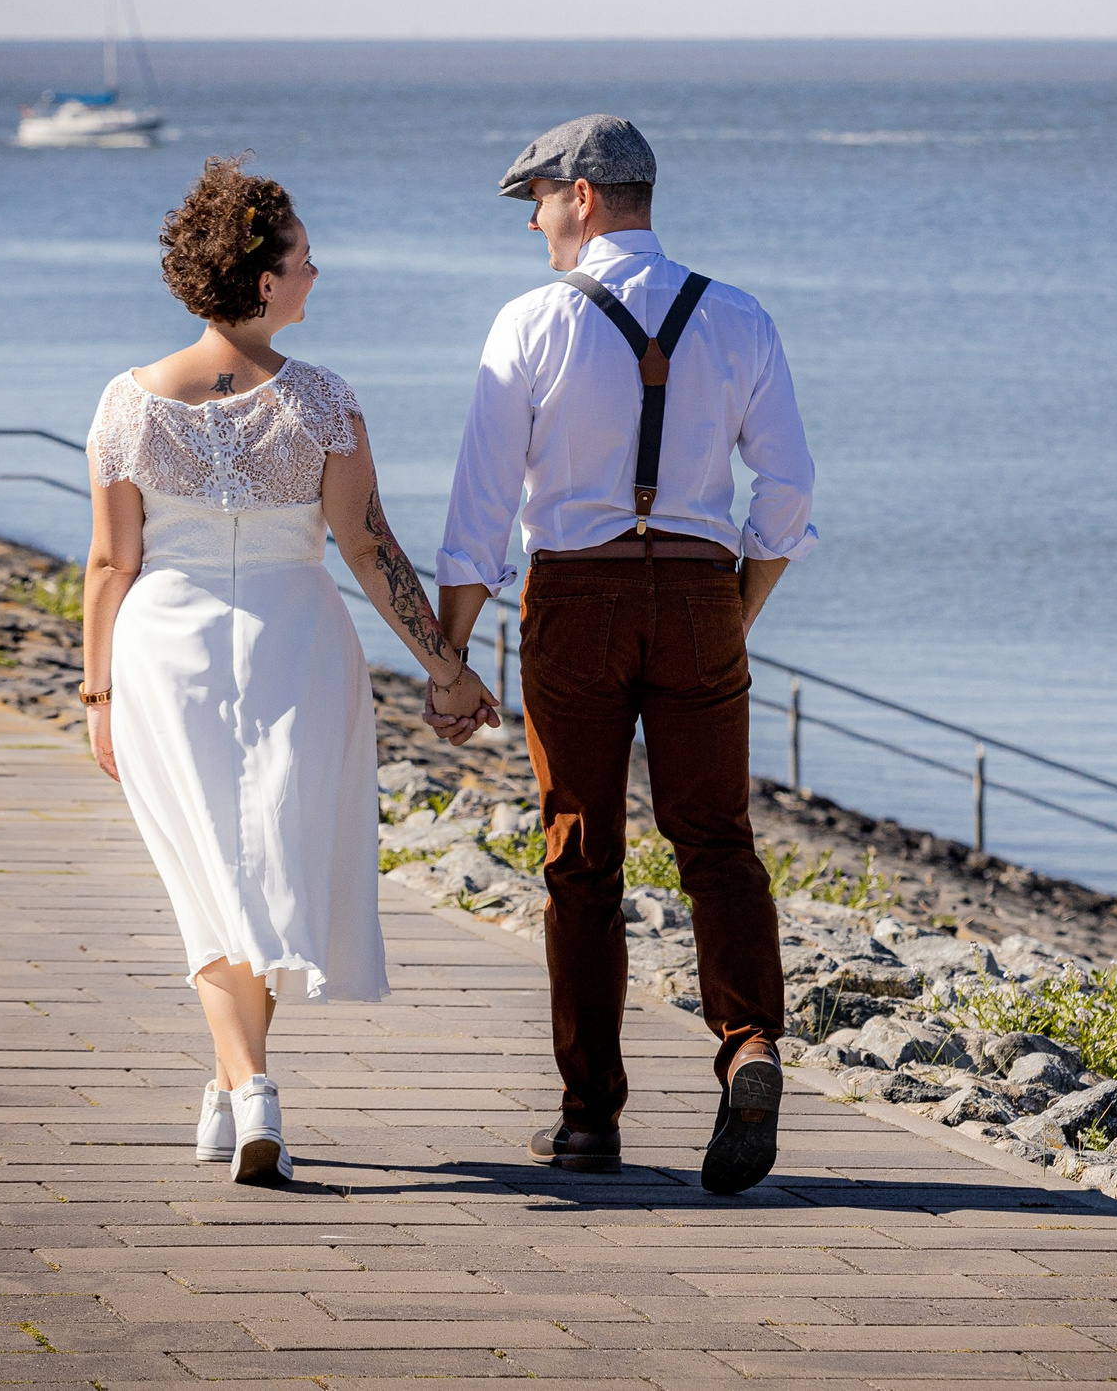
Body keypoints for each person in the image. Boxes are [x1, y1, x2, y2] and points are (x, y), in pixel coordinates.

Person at [80, 155, 498, 1185]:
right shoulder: (322, 403)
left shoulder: (128, 403)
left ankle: (237, 1085)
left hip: (161, 650)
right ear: (262, 280)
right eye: (305, 258)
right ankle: (250, 1085)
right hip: (297, 648)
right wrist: (445, 669)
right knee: (261, 862)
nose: (318, 271)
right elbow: (370, 549)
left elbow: (109, 562)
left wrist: (96, 692)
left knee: (213, 872)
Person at [432, 115, 818, 1194]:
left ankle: (589, 1119)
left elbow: (478, 512)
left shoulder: (531, 322)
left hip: (578, 595)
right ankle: (747, 1046)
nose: (534, 223)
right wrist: (731, 610)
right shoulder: (739, 316)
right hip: (699, 586)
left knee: (580, 855)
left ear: (585, 196)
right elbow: (785, 497)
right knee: (716, 841)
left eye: (539, 201)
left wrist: (453, 656)